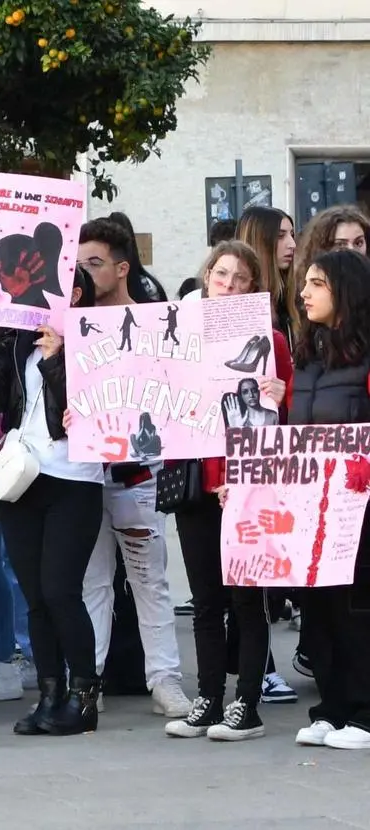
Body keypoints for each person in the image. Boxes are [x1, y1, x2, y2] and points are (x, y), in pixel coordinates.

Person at [166, 241, 291, 743]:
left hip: (246, 484)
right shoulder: (181, 335)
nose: (230, 285)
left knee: (247, 599)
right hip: (196, 479)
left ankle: (248, 703)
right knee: (205, 600)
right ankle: (208, 697)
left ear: (255, 286)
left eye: (241, 278)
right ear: (206, 277)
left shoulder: (272, 340)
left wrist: (281, 398)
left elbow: (285, 421)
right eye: (222, 275)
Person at [0, 300, 106, 735]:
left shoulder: (95, 336)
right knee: (35, 595)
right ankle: (50, 694)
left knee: (61, 590)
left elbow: (101, 404)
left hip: (75, 478)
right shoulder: (18, 334)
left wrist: (58, 358)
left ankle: (84, 699)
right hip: (21, 476)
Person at [74, 218, 191, 719]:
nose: (83, 274)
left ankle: (164, 678)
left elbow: (176, 393)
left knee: (149, 578)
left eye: (94, 264)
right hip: (79, 474)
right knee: (91, 582)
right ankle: (89, 681)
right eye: (77, 265)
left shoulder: (153, 324)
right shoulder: (66, 323)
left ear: (122, 269)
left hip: (138, 470)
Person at [288, 250, 370, 749]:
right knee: (316, 606)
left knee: (355, 606)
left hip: (358, 504)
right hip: (308, 504)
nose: (304, 293)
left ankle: (364, 712)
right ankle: (331, 707)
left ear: (345, 291)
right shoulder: (309, 353)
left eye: (316, 283)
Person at [289, 205, 370, 330]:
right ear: (322, 248)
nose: (352, 250)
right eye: (341, 244)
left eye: (358, 243)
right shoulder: (305, 293)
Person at [237, 206, 297, 336]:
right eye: (280, 236)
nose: (292, 244)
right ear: (257, 242)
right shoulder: (235, 304)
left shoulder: (292, 298)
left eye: (292, 235)